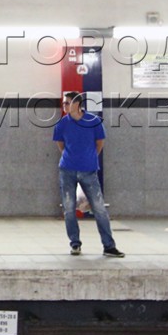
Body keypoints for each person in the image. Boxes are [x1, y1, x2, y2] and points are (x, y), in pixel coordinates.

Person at [52, 91, 125, 257]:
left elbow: (100, 142)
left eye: (67, 103)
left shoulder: (94, 122)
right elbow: (60, 143)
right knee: (69, 209)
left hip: (89, 171)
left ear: (77, 104)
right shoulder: (62, 123)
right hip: (67, 170)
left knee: (99, 208)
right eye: (64, 103)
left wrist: (89, 158)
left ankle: (109, 246)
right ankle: (75, 244)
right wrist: (70, 157)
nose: (64, 106)